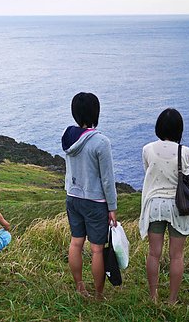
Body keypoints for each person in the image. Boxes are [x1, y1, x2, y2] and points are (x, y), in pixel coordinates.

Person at [62, 92, 117, 299]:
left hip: (72, 197)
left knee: (76, 242)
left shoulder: (68, 138)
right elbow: (107, 179)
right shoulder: (101, 142)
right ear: (96, 112)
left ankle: (79, 287)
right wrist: (112, 207)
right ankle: (99, 294)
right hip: (95, 201)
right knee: (96, 250)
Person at [139, 108, 189, 304]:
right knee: (176, 256)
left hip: (155, 205)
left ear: (158, 127)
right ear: (179, 129)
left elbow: (149, 172)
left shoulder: (147, 149)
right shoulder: (185, 152)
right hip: (178, 207)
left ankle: (153, 296)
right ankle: (172, 300)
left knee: (154, 253)